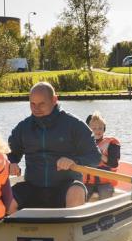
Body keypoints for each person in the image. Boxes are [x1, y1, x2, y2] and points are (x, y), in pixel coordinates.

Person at [7, 82, 102, 210]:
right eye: (32, 104)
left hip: (65, 186)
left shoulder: (74, 125)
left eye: (42, 104)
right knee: (7, 200)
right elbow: (9, 154)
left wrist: (74, 161)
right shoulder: (23, 127)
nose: (36, 108)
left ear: (54, 100)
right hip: (33, 187)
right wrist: (10, 163)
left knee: (76, 192)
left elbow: (95, 157)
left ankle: (70, 228)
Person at [84, 112, 121, 201]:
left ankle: (106, 214)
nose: (98, 131)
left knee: (105, 194)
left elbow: (114, 164)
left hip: (106, 183)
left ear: (104, 129)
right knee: (79, 194)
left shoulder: (112, 143)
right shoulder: (83, 143)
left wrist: (99, 154)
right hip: (88, 182)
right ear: (89, 129)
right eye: (94, 128)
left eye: (100, 128)